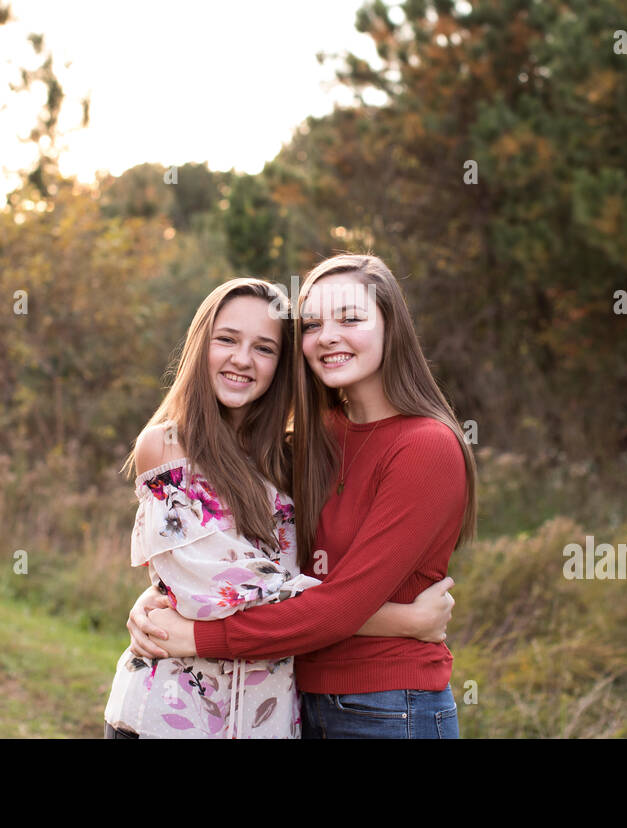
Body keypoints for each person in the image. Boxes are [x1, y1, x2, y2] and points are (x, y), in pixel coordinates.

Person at [127, 255, 476, 738]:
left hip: (389, 705)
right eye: (312, 324)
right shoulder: (309, 442)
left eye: (350, 318)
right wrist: (163, 592)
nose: (329, 335)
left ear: (391, 327)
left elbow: (340, 604)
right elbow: (256, 574)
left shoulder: (425, 446)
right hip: (294, 698)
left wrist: (198, 632)